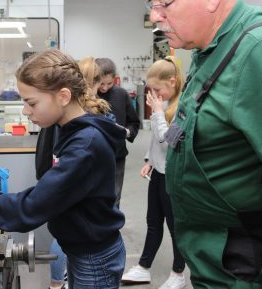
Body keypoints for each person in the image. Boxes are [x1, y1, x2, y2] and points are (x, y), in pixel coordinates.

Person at [147, 0, 262, 288]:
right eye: (152, 5)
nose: (155, 16)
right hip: (219, 265)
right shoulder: (211, 48)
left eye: (163, 3)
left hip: (253, 272)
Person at [0, 49, 126, 289]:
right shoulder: (73, 133)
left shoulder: (84, 146)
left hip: (94, 260)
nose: (25, 110)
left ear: (63, 96)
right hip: (83, 250)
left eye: (31, 102)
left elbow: (29, 208)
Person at [41, 56, 111, 289]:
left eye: (31, 103)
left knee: (65, 236)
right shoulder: (83, 119)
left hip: (68, 191)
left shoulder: (82, 127)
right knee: (66, 236)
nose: (27, 111)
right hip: (68, 188)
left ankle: (55, 284)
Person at [121, 57, 186, 289]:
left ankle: (178, 273)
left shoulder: (182, 107)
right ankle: (143, 268)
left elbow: (169, 141)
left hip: (173, 177)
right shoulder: (165, 104)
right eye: (151, 89)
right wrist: (149, 159)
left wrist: (157, 113)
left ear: (172, 81)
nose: (155, 94)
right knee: (153, 222)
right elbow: (156, 143)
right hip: (158, 172)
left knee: (175, 227)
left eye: (157, 89)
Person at [95, 57, 140, 207]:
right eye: (101, 83)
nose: (105, 88)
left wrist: (127, 132)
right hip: (93, 155)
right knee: (93, 197)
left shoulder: (121, 95)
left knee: (114, 198)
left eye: (109, 83)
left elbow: (134, 122)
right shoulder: (88, 96)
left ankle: (112, 229)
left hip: (117, 156)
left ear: (114, 79)